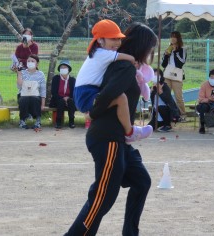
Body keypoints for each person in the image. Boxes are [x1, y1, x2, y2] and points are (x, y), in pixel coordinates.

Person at [64, 22, 158, 235]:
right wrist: (93, 113)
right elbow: (108, 95)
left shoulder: (125, 65)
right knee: (103, 197)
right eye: (150, 48)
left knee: (141, 181)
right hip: (107, 138)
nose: (151, 53)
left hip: (121, 139)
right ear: (142, 47)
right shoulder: (123, 67)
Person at [74, 19, 152, 143]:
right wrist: (132, 59)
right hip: (86, 93)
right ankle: (130, 132)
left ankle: (129, 130)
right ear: (100, 40)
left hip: (86, 92)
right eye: (113, 39)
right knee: (120, 98)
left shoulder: (104, 55)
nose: (118, 43)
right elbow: (109, 93)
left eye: (119, 39)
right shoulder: (103, 53)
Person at [161, 31, 187, 121]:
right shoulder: (168, 49)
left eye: (175, 37)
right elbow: (163, 64)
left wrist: (175, 52)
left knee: (178, 97)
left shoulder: (182, 49)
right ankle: (169, 115)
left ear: (178, 38)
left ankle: (182, 115)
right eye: (171, 36)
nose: (173, 38)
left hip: (177, 75)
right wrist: (166, 55)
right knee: (166, 95)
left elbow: (181, 63)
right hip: (167, 75)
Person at [17, 54, 46, 129]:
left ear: (37, 63)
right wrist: (19, 74)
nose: (30, 62)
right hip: (23, 94)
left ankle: (38, 121)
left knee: (35, 99)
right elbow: (19, 86)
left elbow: (43, 90)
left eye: (32, 61)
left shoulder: (41, 74)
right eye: (28, 61)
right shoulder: (22, 72)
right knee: (23, 100)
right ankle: (22, 120)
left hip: (35, 95)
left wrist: (43, 105)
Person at [49, 60, 76, 129]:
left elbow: (74, 93)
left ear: (68, 69)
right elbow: (53, 92)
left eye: (65, 67)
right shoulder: (56, 78)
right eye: (61, 67)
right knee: (61, 102)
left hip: (69, 99)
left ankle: (71, 121)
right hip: (57, 99)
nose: (63, 69)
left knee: (71, 101)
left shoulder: (72, 80)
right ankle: (58, 122)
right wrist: (63, 98)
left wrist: (67, 98)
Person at [196, 69, 214, 134]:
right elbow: (200, 99)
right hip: (205, 103)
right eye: (211, 77)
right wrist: (209, 99)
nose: (212, 79)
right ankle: (202, 126)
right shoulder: (204, 85)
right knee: (203, 107)